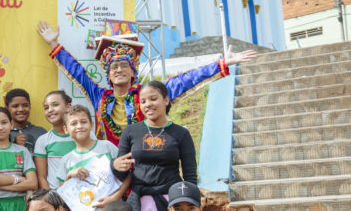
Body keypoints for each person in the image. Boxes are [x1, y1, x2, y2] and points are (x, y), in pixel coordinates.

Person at [36, 21, 257, 146]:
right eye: (114, 67)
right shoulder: (100, 97)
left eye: (124, 65)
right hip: (110, 161)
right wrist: (54, 43)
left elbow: (185, 81)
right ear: (108, 74)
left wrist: (221, 64)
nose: (119, 70)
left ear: (133, 70)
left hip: (147, 157)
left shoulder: (148, 96)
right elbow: (77, 71)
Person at [111, 81, 197, 211]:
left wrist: (190, 205)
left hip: (172, 201)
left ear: (166, 100)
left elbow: (190, 174)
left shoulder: (181, 133)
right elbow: (122, 174)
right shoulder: (130, 132)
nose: (147, 104)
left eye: (153, 99)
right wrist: (116, 166)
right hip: (139, 202)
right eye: (143, 101)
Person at [62, 105, 130, 211]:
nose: (79, 126)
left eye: (83, 122)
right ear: (66, 129)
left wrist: (114, 199)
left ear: (92, 125)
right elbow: (62, 193)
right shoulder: (67, 160)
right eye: (73, 123)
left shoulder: (106, 147)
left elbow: (127, 175)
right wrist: (70, 175)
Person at [33, 91, 75, 192]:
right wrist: (51, 201)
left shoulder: (85, 135)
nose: (50, 110)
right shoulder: (43, 140)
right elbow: (41, 177)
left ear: (68, 107)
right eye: (46, 107)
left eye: (55, 105)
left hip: (83, 195)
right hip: (56, 196)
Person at [5, 88, 47, 154]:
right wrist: (13, 145)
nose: (21, 109)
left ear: (30, 106)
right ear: (7, 108)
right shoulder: (2, 134)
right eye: (15, 106)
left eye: (25, 105)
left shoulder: (41, 132)